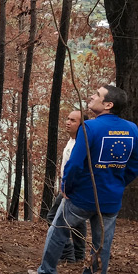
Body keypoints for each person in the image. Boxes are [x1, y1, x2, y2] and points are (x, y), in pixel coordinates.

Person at [29, 84, 138, 274]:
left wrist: (66, 186)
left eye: (97, 95)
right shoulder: (132, 129)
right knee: (102, 243)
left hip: (82, 197)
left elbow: (74, 164)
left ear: (108, 104)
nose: (92, 97)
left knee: (57, 232)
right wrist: (118, 182)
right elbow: (137, 164)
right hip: (110, 199)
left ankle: (46, 273)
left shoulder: (89, 128)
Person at [51, 110, 86, 263]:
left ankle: (68, 254)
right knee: (78, 222)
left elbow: (77, 167)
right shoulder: (72, 140)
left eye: (73, 120)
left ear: (81, 125)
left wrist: (67, 187)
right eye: (67, 118)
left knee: (52, 217)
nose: (68, 122)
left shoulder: (80, 143)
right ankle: (78, 256)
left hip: (72, 188)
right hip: (68, 186)